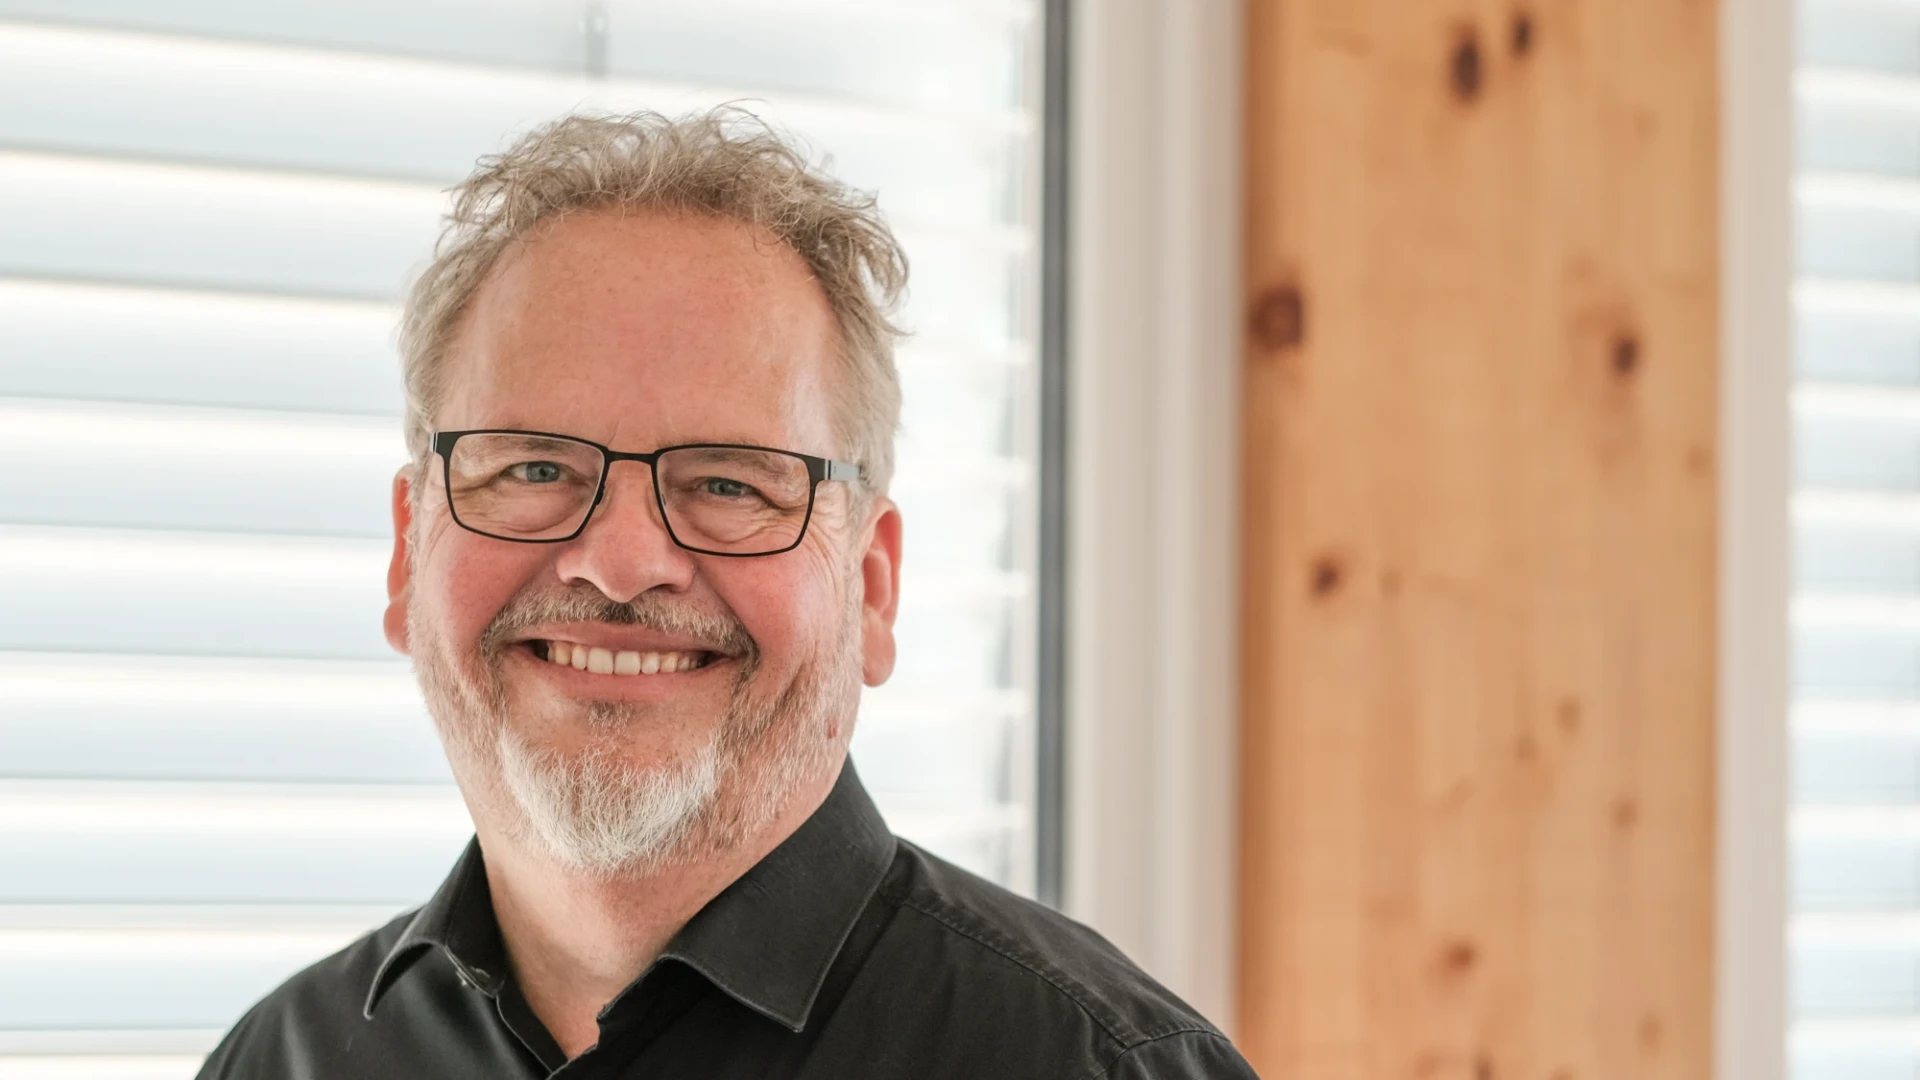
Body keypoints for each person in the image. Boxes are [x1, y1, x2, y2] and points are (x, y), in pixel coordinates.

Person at [196, 108, 1258, 1079]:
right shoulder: (278, 1062)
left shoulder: (1105, 1070)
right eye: (531, 470)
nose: (618, 562)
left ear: (871, 589)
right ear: (405, 552)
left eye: (727, 484)